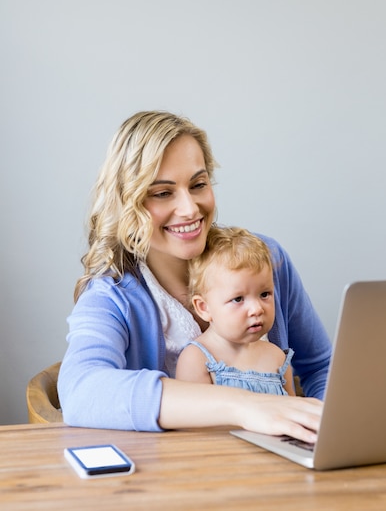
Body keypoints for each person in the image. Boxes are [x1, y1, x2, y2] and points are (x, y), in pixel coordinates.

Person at [58, 110, 331, 443]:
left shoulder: (265, 260)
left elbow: (320, 367)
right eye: (162, 193)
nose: (189, 209)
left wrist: (320, 434)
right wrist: (245, 406)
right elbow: (82, 390)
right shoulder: (112, 295)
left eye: (198, 184)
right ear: (127, 203)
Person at [176, 225, 296, 397]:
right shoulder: (197, 359)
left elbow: (295, 412)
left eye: (264, 294)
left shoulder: (277, 357)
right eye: (238, 299)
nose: (257, 309)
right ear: (204, 307)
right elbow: (191, 421)